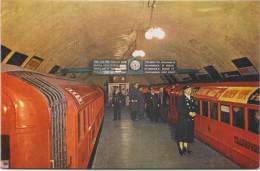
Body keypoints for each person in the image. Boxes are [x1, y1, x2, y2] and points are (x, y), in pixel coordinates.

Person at [175, 85, 197, 155]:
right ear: (184, 90)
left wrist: (194, 112)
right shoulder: (180, 98)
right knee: (181, 135)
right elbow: (179, 109)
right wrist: (189, 112)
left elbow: (195, 107)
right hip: (183, 120)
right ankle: (181, 150)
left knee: (187, 135)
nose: (189, 91)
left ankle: (185, 149)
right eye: (188, 90)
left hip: (190, 120)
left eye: (190, 90)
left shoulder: (192, 98)